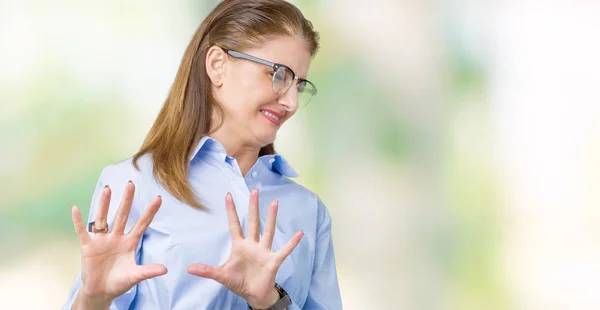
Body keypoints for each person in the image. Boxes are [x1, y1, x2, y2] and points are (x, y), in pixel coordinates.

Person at [62, 0, 342, 309]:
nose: (290, 102)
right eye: (279, 75)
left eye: (299, 85)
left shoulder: (308, 211)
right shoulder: (134, 184)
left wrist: (271, 302)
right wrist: (92, 300)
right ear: (217, 65)